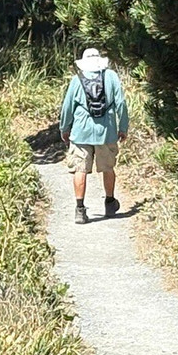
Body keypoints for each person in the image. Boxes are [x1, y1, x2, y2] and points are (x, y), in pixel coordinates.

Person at [59, 48, 129, 224]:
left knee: (79, 169)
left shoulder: (77, 80)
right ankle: (110, 202)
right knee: (107, 167)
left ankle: (80, 210)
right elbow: (121, 103)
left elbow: (67, 107)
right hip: (106, 132)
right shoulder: (111, 77)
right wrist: (123, 127)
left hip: (81, 132)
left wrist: (65, 128)